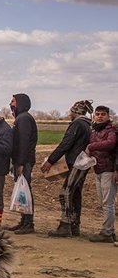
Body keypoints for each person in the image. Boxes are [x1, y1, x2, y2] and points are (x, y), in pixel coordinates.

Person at [42, 100, 93, 237]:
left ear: (75, 112)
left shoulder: (77, 124)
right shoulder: (88, 125)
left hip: (77, 163)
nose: (70, 114)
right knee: (75, 194)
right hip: (83, 163)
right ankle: (75, 226)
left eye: (71, 111)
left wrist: (51, 161)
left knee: (65, 193)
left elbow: (66, 144)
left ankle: (65, 225)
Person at [85, 106, 116, 243]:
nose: (100, 116)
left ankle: (107, 233)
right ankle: (109, 230)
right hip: (98, 169)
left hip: (109, 170)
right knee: (103, 202)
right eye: (97, 114)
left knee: (107, 203)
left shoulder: (111, 130)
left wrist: (91, 147)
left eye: (103, 114)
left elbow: (110, 144)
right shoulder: (94, 130)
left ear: (108, 116)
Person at [8, 93, 38, 234]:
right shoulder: (20, 118)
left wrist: (20, 162)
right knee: (22, 191)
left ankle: (29, 223)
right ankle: (23, 221)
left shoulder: (24, 118)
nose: (11, 103)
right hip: (21, 160)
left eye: (13, 101)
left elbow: (24, 142)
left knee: (25, 191)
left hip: (24, 161)